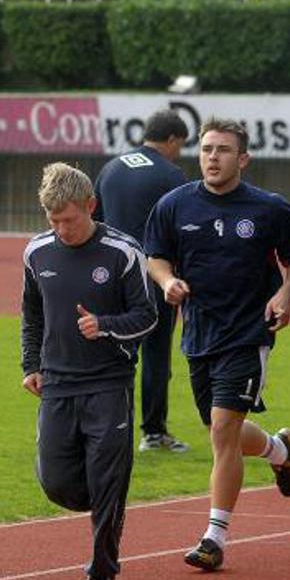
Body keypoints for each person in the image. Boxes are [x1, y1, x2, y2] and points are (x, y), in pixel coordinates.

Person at [145, 117, 290, 572]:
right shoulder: (174, 205)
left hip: (248, 333)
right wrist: (167, 281)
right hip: (200, 333)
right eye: (206, 149)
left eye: (222, 150)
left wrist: (285, 293)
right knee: (226, 433)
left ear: (243, 158)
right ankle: (279, 449)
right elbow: (155, 255)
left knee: (223, 430)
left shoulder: (268, 208)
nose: (212, 157)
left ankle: (214, 537)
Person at [20, 163, 158, 580]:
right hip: (57, 383)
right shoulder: (36, 253)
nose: (61, 229)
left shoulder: (123, 252)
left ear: (91, 206)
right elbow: (32, 313)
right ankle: (103, 503)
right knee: (57, 483)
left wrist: (105, 325)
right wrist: (30, 364)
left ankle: (102, 569)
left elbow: (148, 316)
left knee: (107, 480)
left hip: (108, 382)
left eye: (69, 219)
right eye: (53, 220)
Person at [95, 110, 191, 454]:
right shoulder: (172, 174)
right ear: (171, 140)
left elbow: (96, 222)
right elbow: (184, 229)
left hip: (111, 277)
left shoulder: (111, 168)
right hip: (154, 275)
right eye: (180, 146)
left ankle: (105, 427)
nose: (179, 152)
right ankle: (153, 432)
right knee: (155, 356)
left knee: (116, 352)